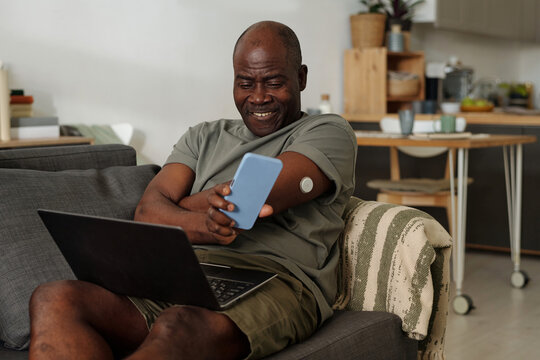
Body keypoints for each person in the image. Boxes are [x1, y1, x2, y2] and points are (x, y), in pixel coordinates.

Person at [28, 21, 357, 360]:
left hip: (274, 278)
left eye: (274, 82)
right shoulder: (203, 136)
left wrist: (179, 206)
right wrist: (207, 223)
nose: (258, 97)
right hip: (179, 273)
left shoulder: (327, 131)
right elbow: (147, 213)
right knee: (54, 297)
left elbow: (252, 196)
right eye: (246, 83)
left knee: (178, 323)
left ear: (301, 78)